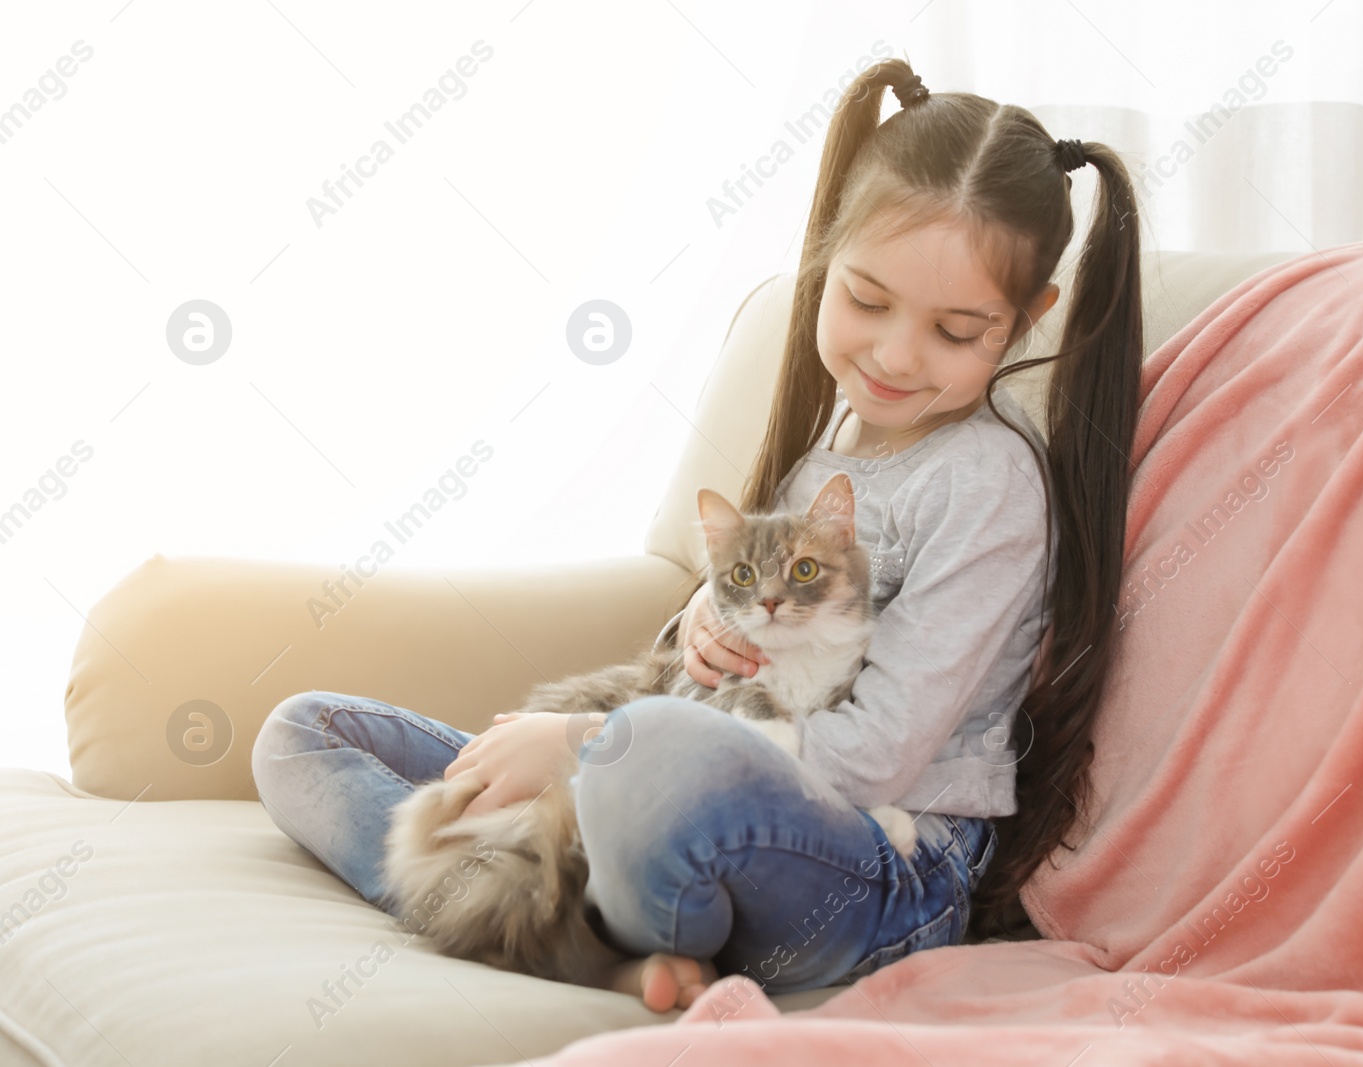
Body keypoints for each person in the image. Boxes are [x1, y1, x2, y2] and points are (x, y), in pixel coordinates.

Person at [251, 57, 1143, 1014]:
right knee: (304, 734)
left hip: (873, 862)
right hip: (678, 784)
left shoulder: (990, 485)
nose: (892, 355)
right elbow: (713, 649)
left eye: (955, 330)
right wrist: (700, 633)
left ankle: (569, 909)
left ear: (1024, 322)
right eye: (869, 301)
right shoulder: (826, 448)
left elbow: (878, 755)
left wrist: (589, 748)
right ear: (826, 252)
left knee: (661, 765)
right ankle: (564, 923)